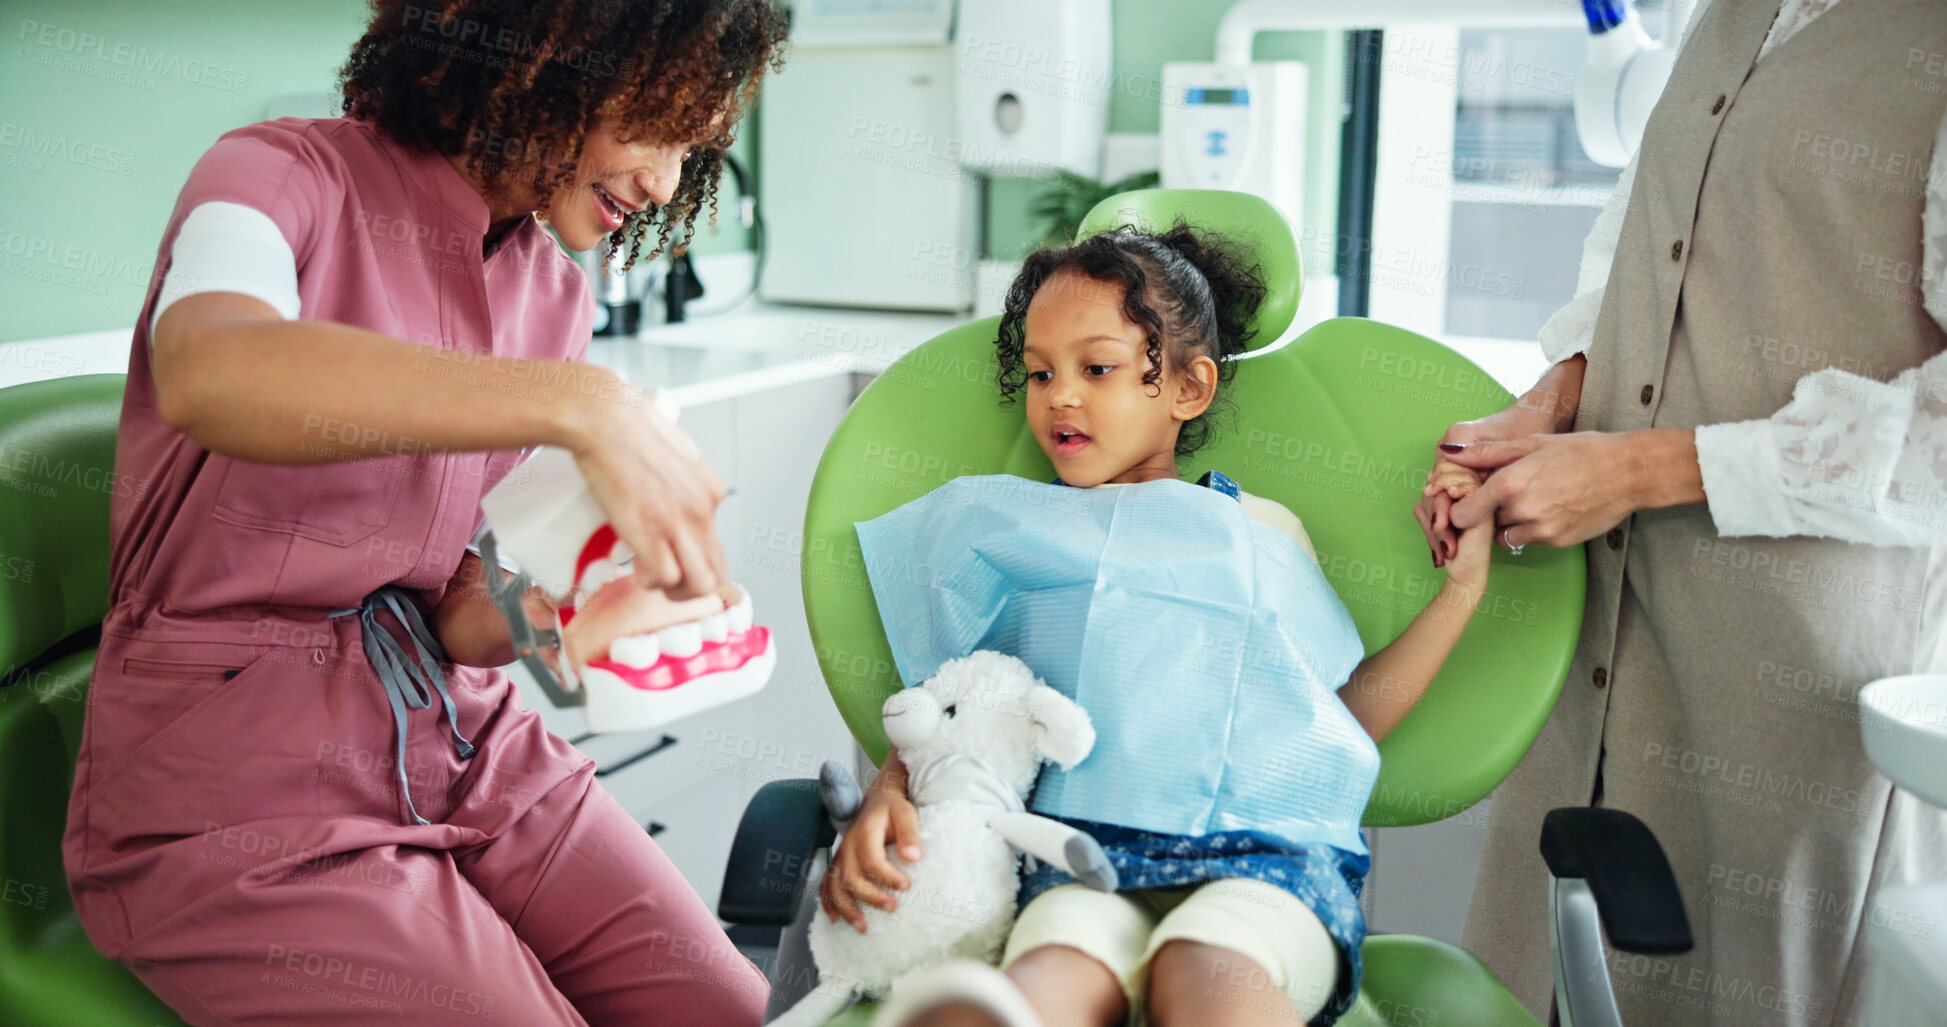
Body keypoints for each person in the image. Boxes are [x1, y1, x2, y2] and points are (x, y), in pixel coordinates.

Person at [61, 1, 787, 1023]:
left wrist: (568, 615)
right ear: (551, 53)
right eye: (658, 123)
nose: (667, 181)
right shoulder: (269, 176)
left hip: (468, 754)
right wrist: (580, 403)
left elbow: (452, 609)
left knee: (736, 1010)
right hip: (240, 800)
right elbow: (209, 366)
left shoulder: (553, 291)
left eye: (694, 147)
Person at [1412, 0, 1947, 1022]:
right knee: (1546, 970)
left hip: (1793, 662)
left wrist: (1641, 471)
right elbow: (1647, 244)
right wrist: (1547, 404)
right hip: (1615, 607)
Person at [821, 225, 1500, 1027]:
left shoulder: (1258, 535)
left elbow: (1334, 717)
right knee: (1044, 981)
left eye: (1096, 367)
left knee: (1203, 974)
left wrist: (1461, 588)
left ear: (1188, 388)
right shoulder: (1009, 532)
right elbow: (960, 707)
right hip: (1079, 857)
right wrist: (886, 795)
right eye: (1040, 373)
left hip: (1261, 865)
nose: (1059, 395)